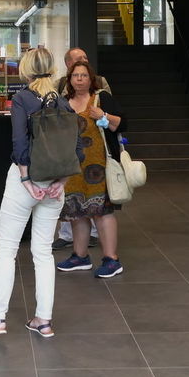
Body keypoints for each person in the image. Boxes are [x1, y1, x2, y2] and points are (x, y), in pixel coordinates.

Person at [0, 46, 70, 341]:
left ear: (26, 69)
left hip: (26, 182)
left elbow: (19, 142)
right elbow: (77, 147)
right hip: (54, 186)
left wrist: (26, 180)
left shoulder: (23, 98)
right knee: (43, 253)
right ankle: (43, 319)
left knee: (7, 250)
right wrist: (60, 181)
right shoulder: (62, 102)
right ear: (52, 67)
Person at [54, 60, 127, 278]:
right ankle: (80, 256)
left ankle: (112, 259)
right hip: (74, 168)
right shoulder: (64, 102)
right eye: (75, 76)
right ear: (69, 79)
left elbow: (122, 124)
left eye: (84, 75)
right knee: (77, 213)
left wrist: (103, 116)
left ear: (91, 79)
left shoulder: (101, 98)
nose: (79, 79)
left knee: (102, 213)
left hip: (100, 167)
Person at [53, 47, 109, 252]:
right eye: (79, 60)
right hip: (70, 149)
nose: (85, 60)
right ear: (69, 65)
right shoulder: (59, 84)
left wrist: (103, 116)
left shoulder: (101, 83)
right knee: (70, 192)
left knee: (94, 191)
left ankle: (93, 235)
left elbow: (110, 109)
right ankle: (67, 236)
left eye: (86, 58)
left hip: (95, 149)